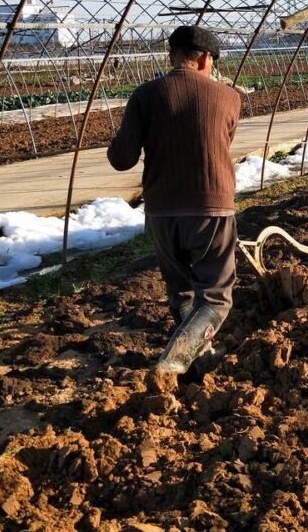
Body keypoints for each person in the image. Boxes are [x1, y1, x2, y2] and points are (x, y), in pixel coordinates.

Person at [107, 25, 241, 375]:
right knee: (215, 297)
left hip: (162, 211)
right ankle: (175, 362)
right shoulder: (229, 97)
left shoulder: (145, 95)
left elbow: (121, 159)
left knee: (181, 291)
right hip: (211, 206)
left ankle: (200, 355)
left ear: (172, 56)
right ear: (206, 59)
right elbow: (220, 142)